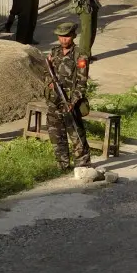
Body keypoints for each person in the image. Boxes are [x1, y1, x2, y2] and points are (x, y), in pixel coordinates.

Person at [44, 21, 92, 170]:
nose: (63, 40)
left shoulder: (80, 55)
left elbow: (82, 81)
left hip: (70, 100)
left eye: (67, 37)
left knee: (76, 134)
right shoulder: (54, 52)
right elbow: (46, 72)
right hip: (54, 100)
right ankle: (62, 164)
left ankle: (82, 164)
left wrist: (73, 101)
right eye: (61, 37)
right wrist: (49, 82)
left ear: (73, 36)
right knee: (56, 133)